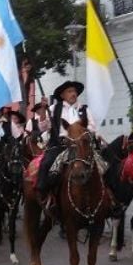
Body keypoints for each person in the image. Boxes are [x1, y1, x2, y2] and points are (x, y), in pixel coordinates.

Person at [36, 80, 101, 208]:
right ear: (62, 95)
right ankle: (46, 195)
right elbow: (43, 127)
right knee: (46, 164)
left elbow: (92, 127)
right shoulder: (54, 109)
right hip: (60, 146)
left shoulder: (84, 109)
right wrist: (43, 110)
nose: (73, 94)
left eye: (75, 91)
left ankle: (109, 198)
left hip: (82, 145)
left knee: (104, 165)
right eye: (70, 91)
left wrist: (85, 134)